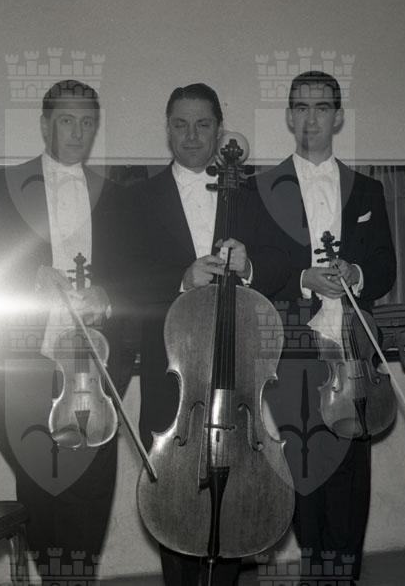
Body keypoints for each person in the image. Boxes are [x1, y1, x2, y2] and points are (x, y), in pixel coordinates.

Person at [127, 83, 303, 586]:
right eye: (180, 125)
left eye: (203, 124)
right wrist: (181, 280)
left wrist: (250, 267)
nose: (191, 135)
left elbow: (286, 262)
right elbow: (124, 280)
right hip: (174, 385)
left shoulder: (254, 193)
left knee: (237, 514)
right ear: (167, 129)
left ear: (220, 129)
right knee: (173, 507)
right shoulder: (137, 198)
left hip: (237, 381)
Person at [0, 80, 131, 581]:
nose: (77, 132)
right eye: (66, 121)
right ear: (44, 125)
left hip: (93, 373)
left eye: (87, 122)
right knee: (40, 494)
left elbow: (139, 276)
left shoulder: (118, 196)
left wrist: (109, 296)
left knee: (90, 497)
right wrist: (29, 277)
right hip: (24, 370)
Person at [256, 71, 396, 585]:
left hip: (354, 349)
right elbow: (256, 271)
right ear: (289, 116)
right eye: (301, 107)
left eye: (321, 108)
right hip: (295, 349)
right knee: (305, 472)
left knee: (352, 475)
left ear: (337, 117)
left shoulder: (369, 190)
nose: (310, 118)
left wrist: (355, 274)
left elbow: (385, 266)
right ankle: (318, 574)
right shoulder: (260, 189)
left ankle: (345, 577)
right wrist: (302, 278)